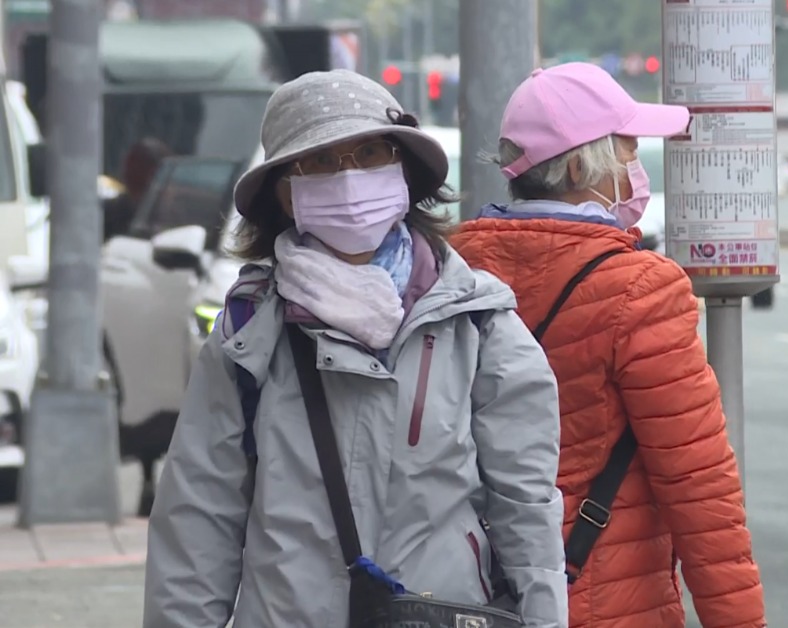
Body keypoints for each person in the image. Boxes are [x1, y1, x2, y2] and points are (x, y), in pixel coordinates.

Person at [143, 69, 568, 628]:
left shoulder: (479, 324)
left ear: (403, 169)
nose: (348, 178)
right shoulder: (248, 334)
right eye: (319, 162)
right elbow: (198, 517)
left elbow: (527, 508)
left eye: (369, 153)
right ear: (283, 193)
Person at [450, 62, 765, 628]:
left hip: (465, 597)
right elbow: (698, 488)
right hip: (603, 603)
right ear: (578, 166)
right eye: (627, 151)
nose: (634, 168)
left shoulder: (447, 272)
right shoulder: (640, 289)